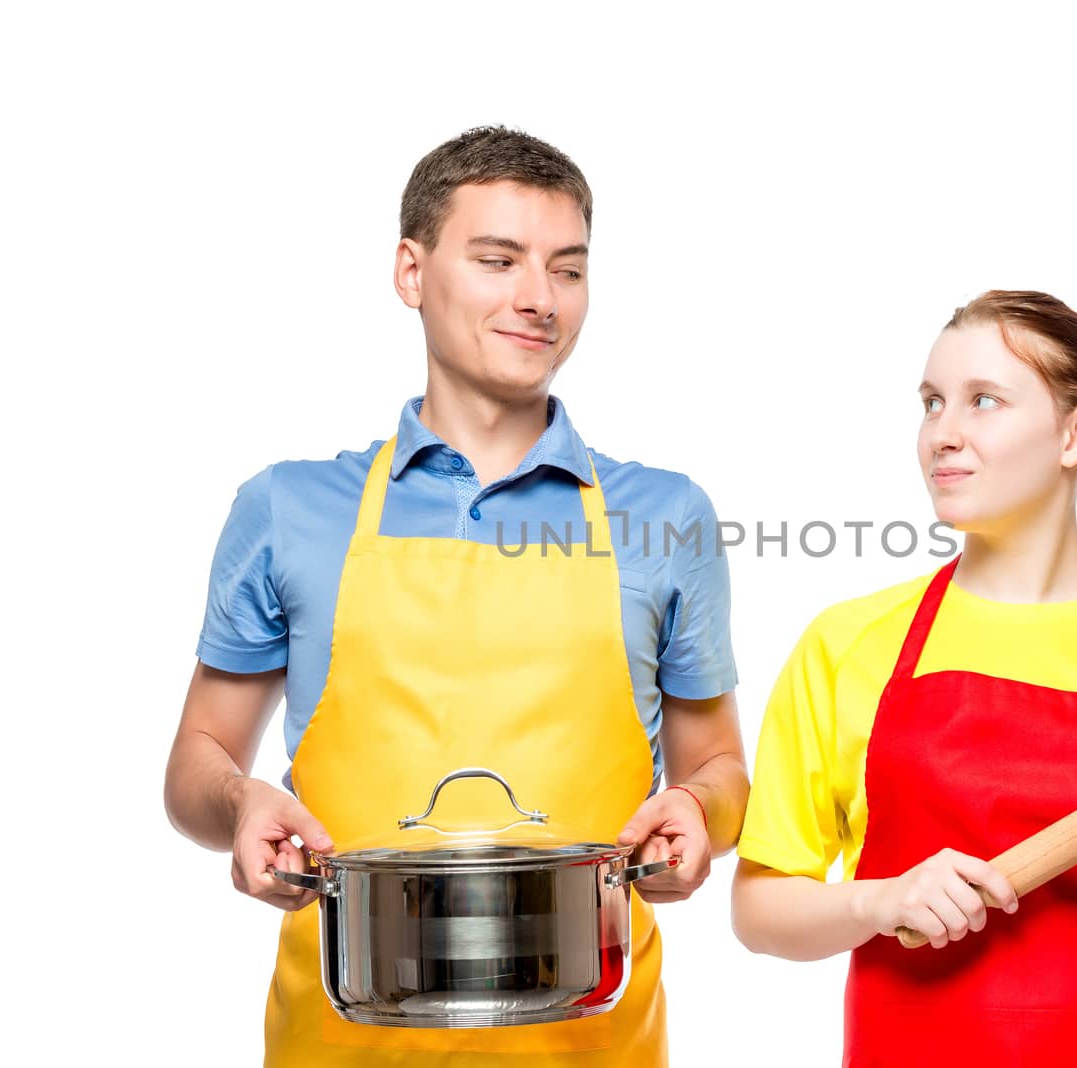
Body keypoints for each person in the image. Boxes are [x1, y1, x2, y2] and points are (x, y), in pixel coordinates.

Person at [164, 126, 748, 1068]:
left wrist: (701, 812)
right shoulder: (288, 509)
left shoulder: (665, 516)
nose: (538, 299)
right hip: (339, 1038)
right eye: (498, 260)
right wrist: (238, 804)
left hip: (593, 1042)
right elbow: (196, 761)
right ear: (411, 270)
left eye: (567, 269)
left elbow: (719, 765)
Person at [731, 290, 1077, 1066]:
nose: (943, 433)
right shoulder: (849, 645)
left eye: (983, 402)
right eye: (932, 403)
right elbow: (760, 910)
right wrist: (880, 898)